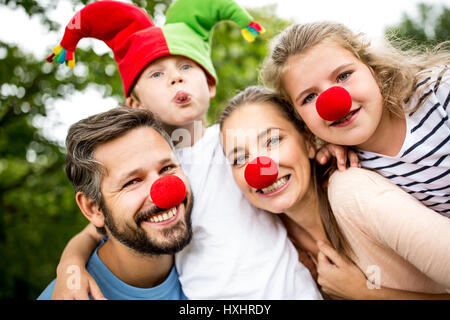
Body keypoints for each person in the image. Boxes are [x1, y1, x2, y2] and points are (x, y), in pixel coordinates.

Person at [46, 0, 322, 299]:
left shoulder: (236, 140)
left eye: (186, 66)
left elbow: (288, 150)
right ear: (135, 104)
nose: (176, 77)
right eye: (156, 74)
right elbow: (94, 231)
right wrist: (70, 266)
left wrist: (327, 148)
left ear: (210, 84)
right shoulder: (151, 169)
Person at [219, 85, 450, 299]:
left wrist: (366, 293)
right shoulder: (274, 243)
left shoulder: (353, 193)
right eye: (240, 158)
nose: (259, 169)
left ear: (309, 142)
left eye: (273, 141)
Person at [261, 22, 450, 217]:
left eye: (343, 76)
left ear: (374, 71)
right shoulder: (346, 167)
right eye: (309, 97)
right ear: (299, 117)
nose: (333, 103)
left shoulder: (439, 91)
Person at [38, 107, 193, 300]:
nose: (165, 192)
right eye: (132, 181)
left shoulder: (215, 245)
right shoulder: (69, 294)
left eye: (167, 167)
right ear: (93, 208)